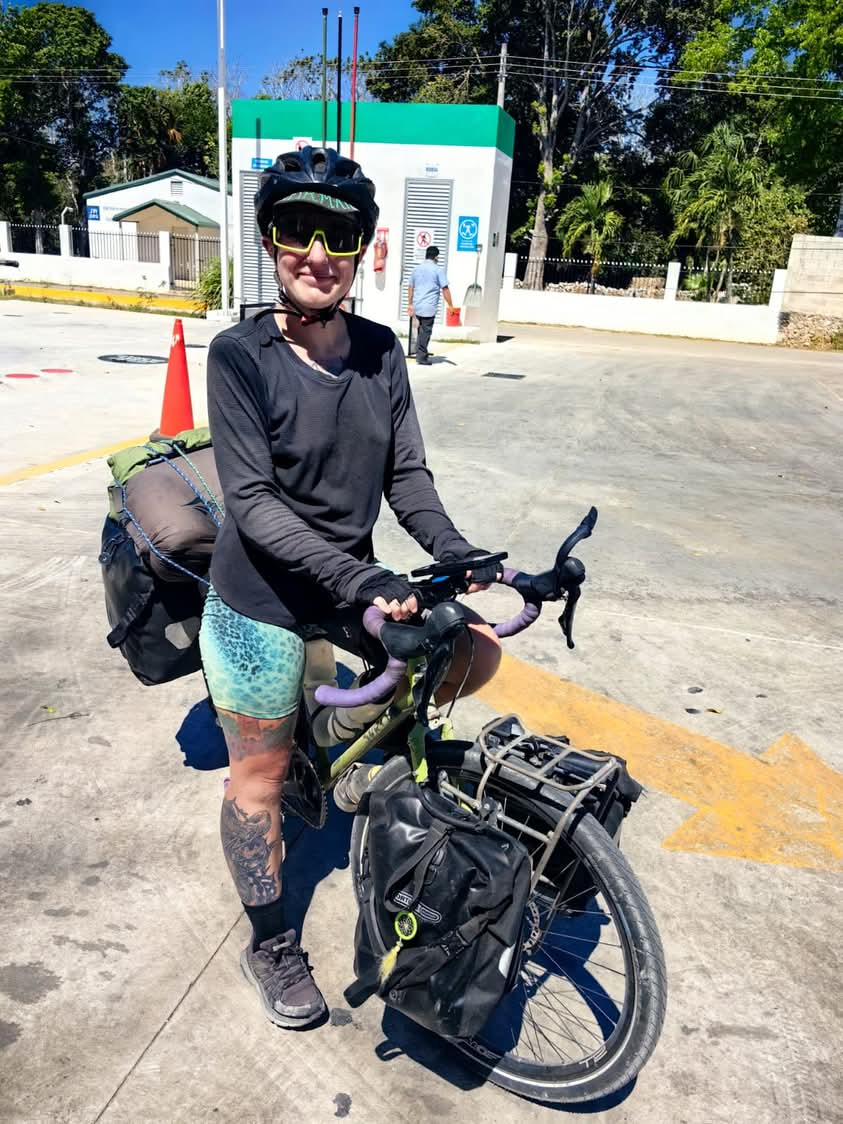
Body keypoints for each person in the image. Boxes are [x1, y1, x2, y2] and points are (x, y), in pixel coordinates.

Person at [199, 147, 501, 1030]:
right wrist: (365, 577)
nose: (317, 252)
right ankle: (269, 942)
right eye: (299, 230)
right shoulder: (239, 356)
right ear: (271, 239)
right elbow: (250, 503)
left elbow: (407, 475)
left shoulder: (377, 354)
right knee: (255, 781)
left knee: (468, 653)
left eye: (339, 233)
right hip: (259, 598)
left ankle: (322, 747)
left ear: (365, 246)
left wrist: (460, 551)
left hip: (345, 586)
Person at [407, 245, 453, 365]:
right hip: (429, 306)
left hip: (417, 305)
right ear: (436, 257)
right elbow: (445, 289)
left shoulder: (417, 269)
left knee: (420, 330)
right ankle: (421, 356)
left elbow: (411, 287)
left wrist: (410, 304)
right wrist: (450, 305)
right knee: (425, 331)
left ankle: (420, 352)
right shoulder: (438, 270)